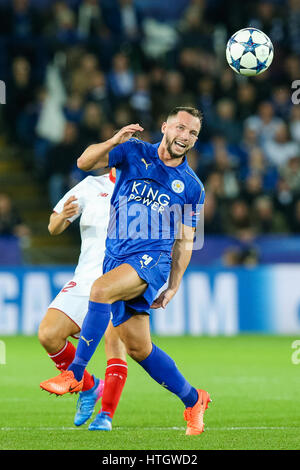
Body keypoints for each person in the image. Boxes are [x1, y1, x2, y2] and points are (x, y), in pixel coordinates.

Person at [40, 107, 212, 436]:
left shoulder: (192, 187)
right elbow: (84, 163)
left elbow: (186, 241)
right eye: (180, 128)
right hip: (117, 257)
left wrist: (173, 285)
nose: (185, 137)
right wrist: (112, 140)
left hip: (152, 261)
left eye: (192, 133)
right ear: (165, 127)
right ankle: (193, 399)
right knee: (138, 348)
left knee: (100, 290)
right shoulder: (133, 151)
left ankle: (75, 374)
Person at [39, 169, 128, 428]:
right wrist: (62, 218)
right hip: (86, 277)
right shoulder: (90, 186)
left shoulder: (145, 188)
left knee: (115, 342)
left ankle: (106, 415)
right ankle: (89, 386)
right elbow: (53, 227)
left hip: (122, 278)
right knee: (48, 334)